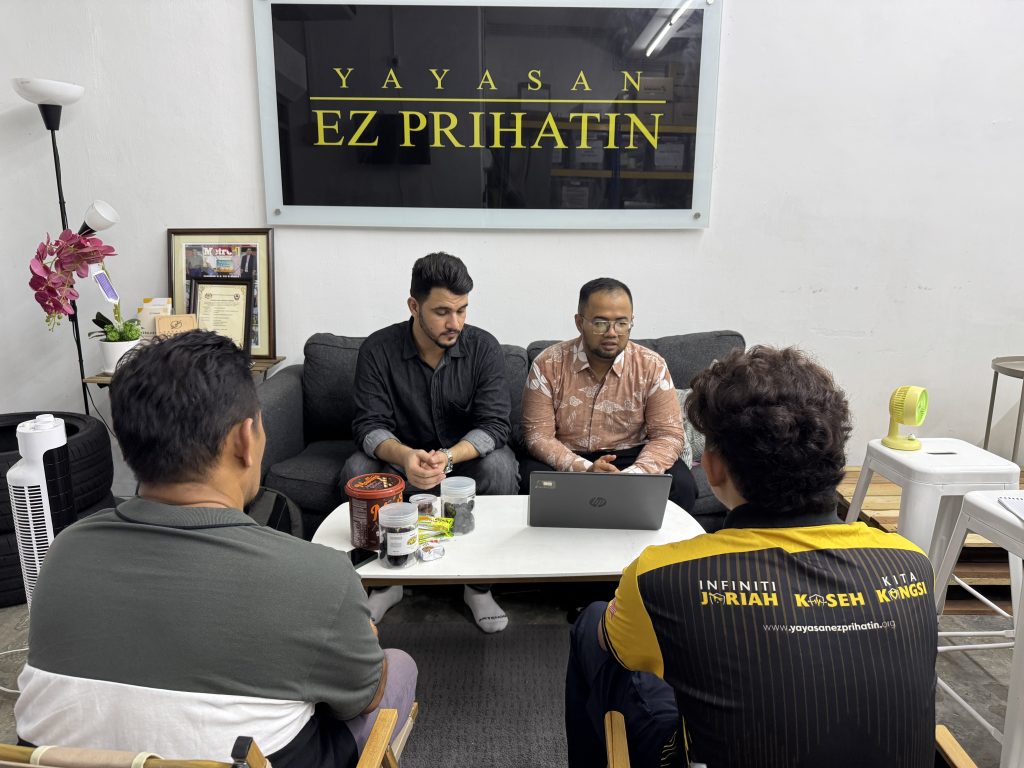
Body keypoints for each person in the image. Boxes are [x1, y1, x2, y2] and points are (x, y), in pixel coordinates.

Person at [15, 331, 417, 768]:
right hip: (262, 759)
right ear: (245, 439)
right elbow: (363, 698)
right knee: (397, 666)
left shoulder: (61, 554)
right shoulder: (319, 576)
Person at [565, 346, 938, 768]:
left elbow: (614, 648)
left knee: (593, 624)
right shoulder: (911, 564)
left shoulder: (661, 576)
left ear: (712, 468)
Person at [342, 252, 518, 633]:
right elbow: (369, 425)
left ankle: (478, 585)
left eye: (462, 310)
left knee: (501, 465)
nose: (455, 323)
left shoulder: (484, 348)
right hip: (399, 460)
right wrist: (406, 457)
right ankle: (386, 582)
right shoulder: (378, 350)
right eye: (442, 312)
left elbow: (495, 425)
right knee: (357, 468)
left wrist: (448, 458)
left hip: (463, 461)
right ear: (414, 306)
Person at [520, 277, 697, 513]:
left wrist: (633, 476)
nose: (612, 333)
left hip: (631, 455)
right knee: (529, 478)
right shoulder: (548, 364)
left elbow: (668, 435)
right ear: (579, 322)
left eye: (622, 323)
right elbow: (538, 436)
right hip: (568, 454)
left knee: (682, 485)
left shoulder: (651, 366)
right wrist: (585, 469)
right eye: (601, 323)